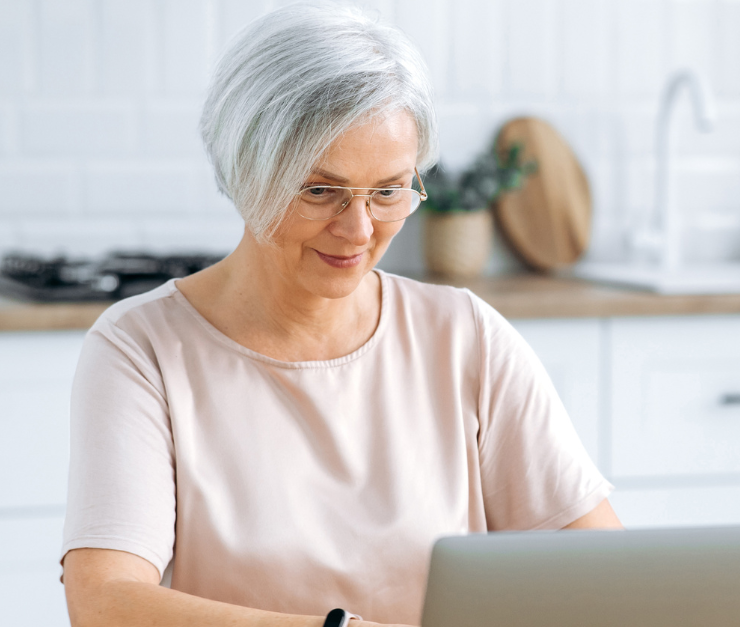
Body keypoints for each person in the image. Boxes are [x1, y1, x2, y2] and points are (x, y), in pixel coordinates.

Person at [60, 4, 622, 627]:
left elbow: (605, 571)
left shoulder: (465, 335)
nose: (358, 230)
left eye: (387, 191)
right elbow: (104, 602)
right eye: (320, 190)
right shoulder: (142, 348)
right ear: (248, 171)